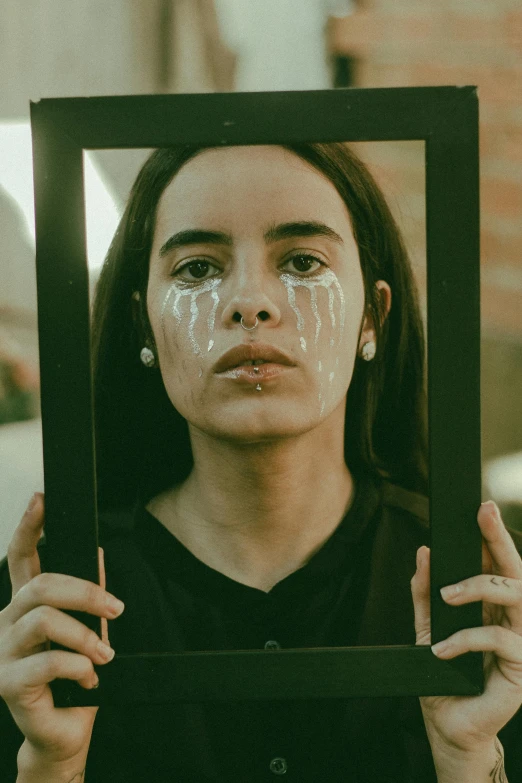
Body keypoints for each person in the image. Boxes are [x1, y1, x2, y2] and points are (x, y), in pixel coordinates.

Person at [1, 142, 521, 783]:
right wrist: (49, 764)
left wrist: (472, 760)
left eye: (303, 261)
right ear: (143, 326)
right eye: (196, 269)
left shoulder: (490, 608)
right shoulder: (44, 618)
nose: (250, 302)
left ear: (372, 317)